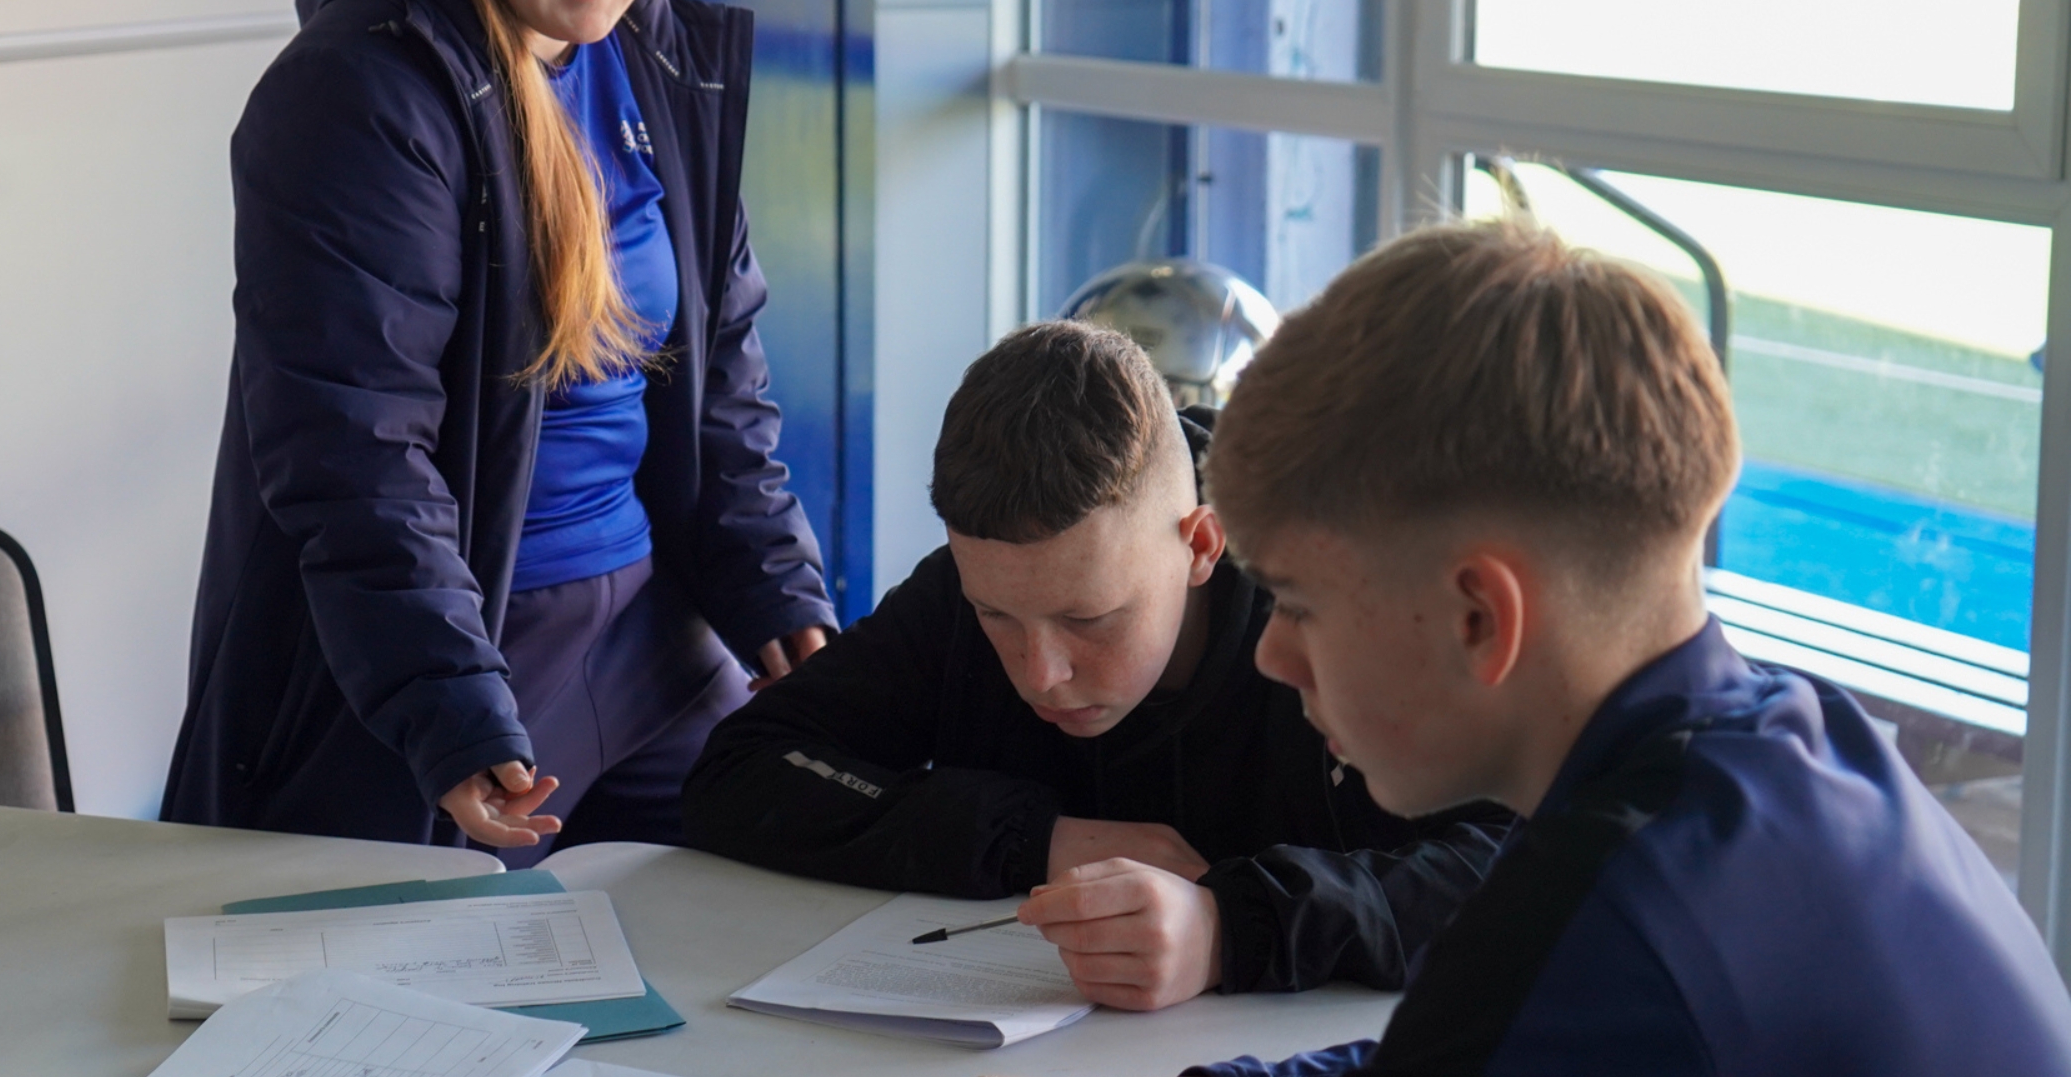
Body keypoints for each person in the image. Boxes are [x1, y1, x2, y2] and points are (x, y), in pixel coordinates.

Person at [160, 0, 836, 865]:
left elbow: (720, 376)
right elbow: (357, 450)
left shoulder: (659, 61)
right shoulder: (357, 99)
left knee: (774, 908)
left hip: (652, 636)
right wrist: (447, 705)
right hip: (477, 643)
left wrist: (778, 591)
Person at [1187, 220, 2071, 1076]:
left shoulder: (1614, 913)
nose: (1272, 655)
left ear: (1480, 619)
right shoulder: (1802, 738)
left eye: (1297, 605)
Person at [682, 321, 1512, 1011]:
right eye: (996, 616)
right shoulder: (965, 595)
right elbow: (741, 769)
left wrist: (1229, 928)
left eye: (1090, 619)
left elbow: (1524, 862)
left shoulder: (1338, 606)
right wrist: (1031, 839)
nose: (1040, 673)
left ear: (1200, 545)